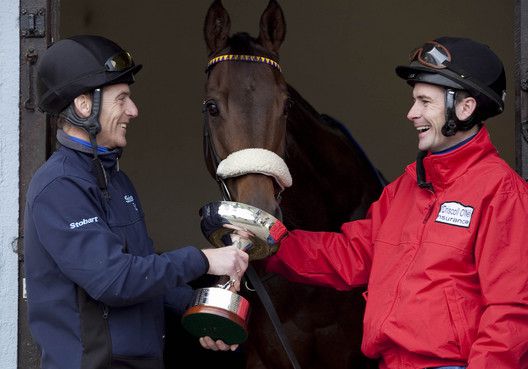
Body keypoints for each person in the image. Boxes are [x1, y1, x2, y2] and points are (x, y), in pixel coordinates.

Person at [262, 37, 528, 369]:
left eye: (424, 101)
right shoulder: (405, 188)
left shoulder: (502, 192)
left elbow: (511, 312)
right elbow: (353, 254)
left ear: (465, 107)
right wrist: (268, 241)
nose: (411, 113)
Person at [24, 34, 248, 369]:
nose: (133, 110)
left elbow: (143, 269)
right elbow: (114, 279)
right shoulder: (58, 187)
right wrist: (202, 261)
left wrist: (199, 307)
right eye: (122, 99)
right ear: (84, 105)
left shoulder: (117, 180)